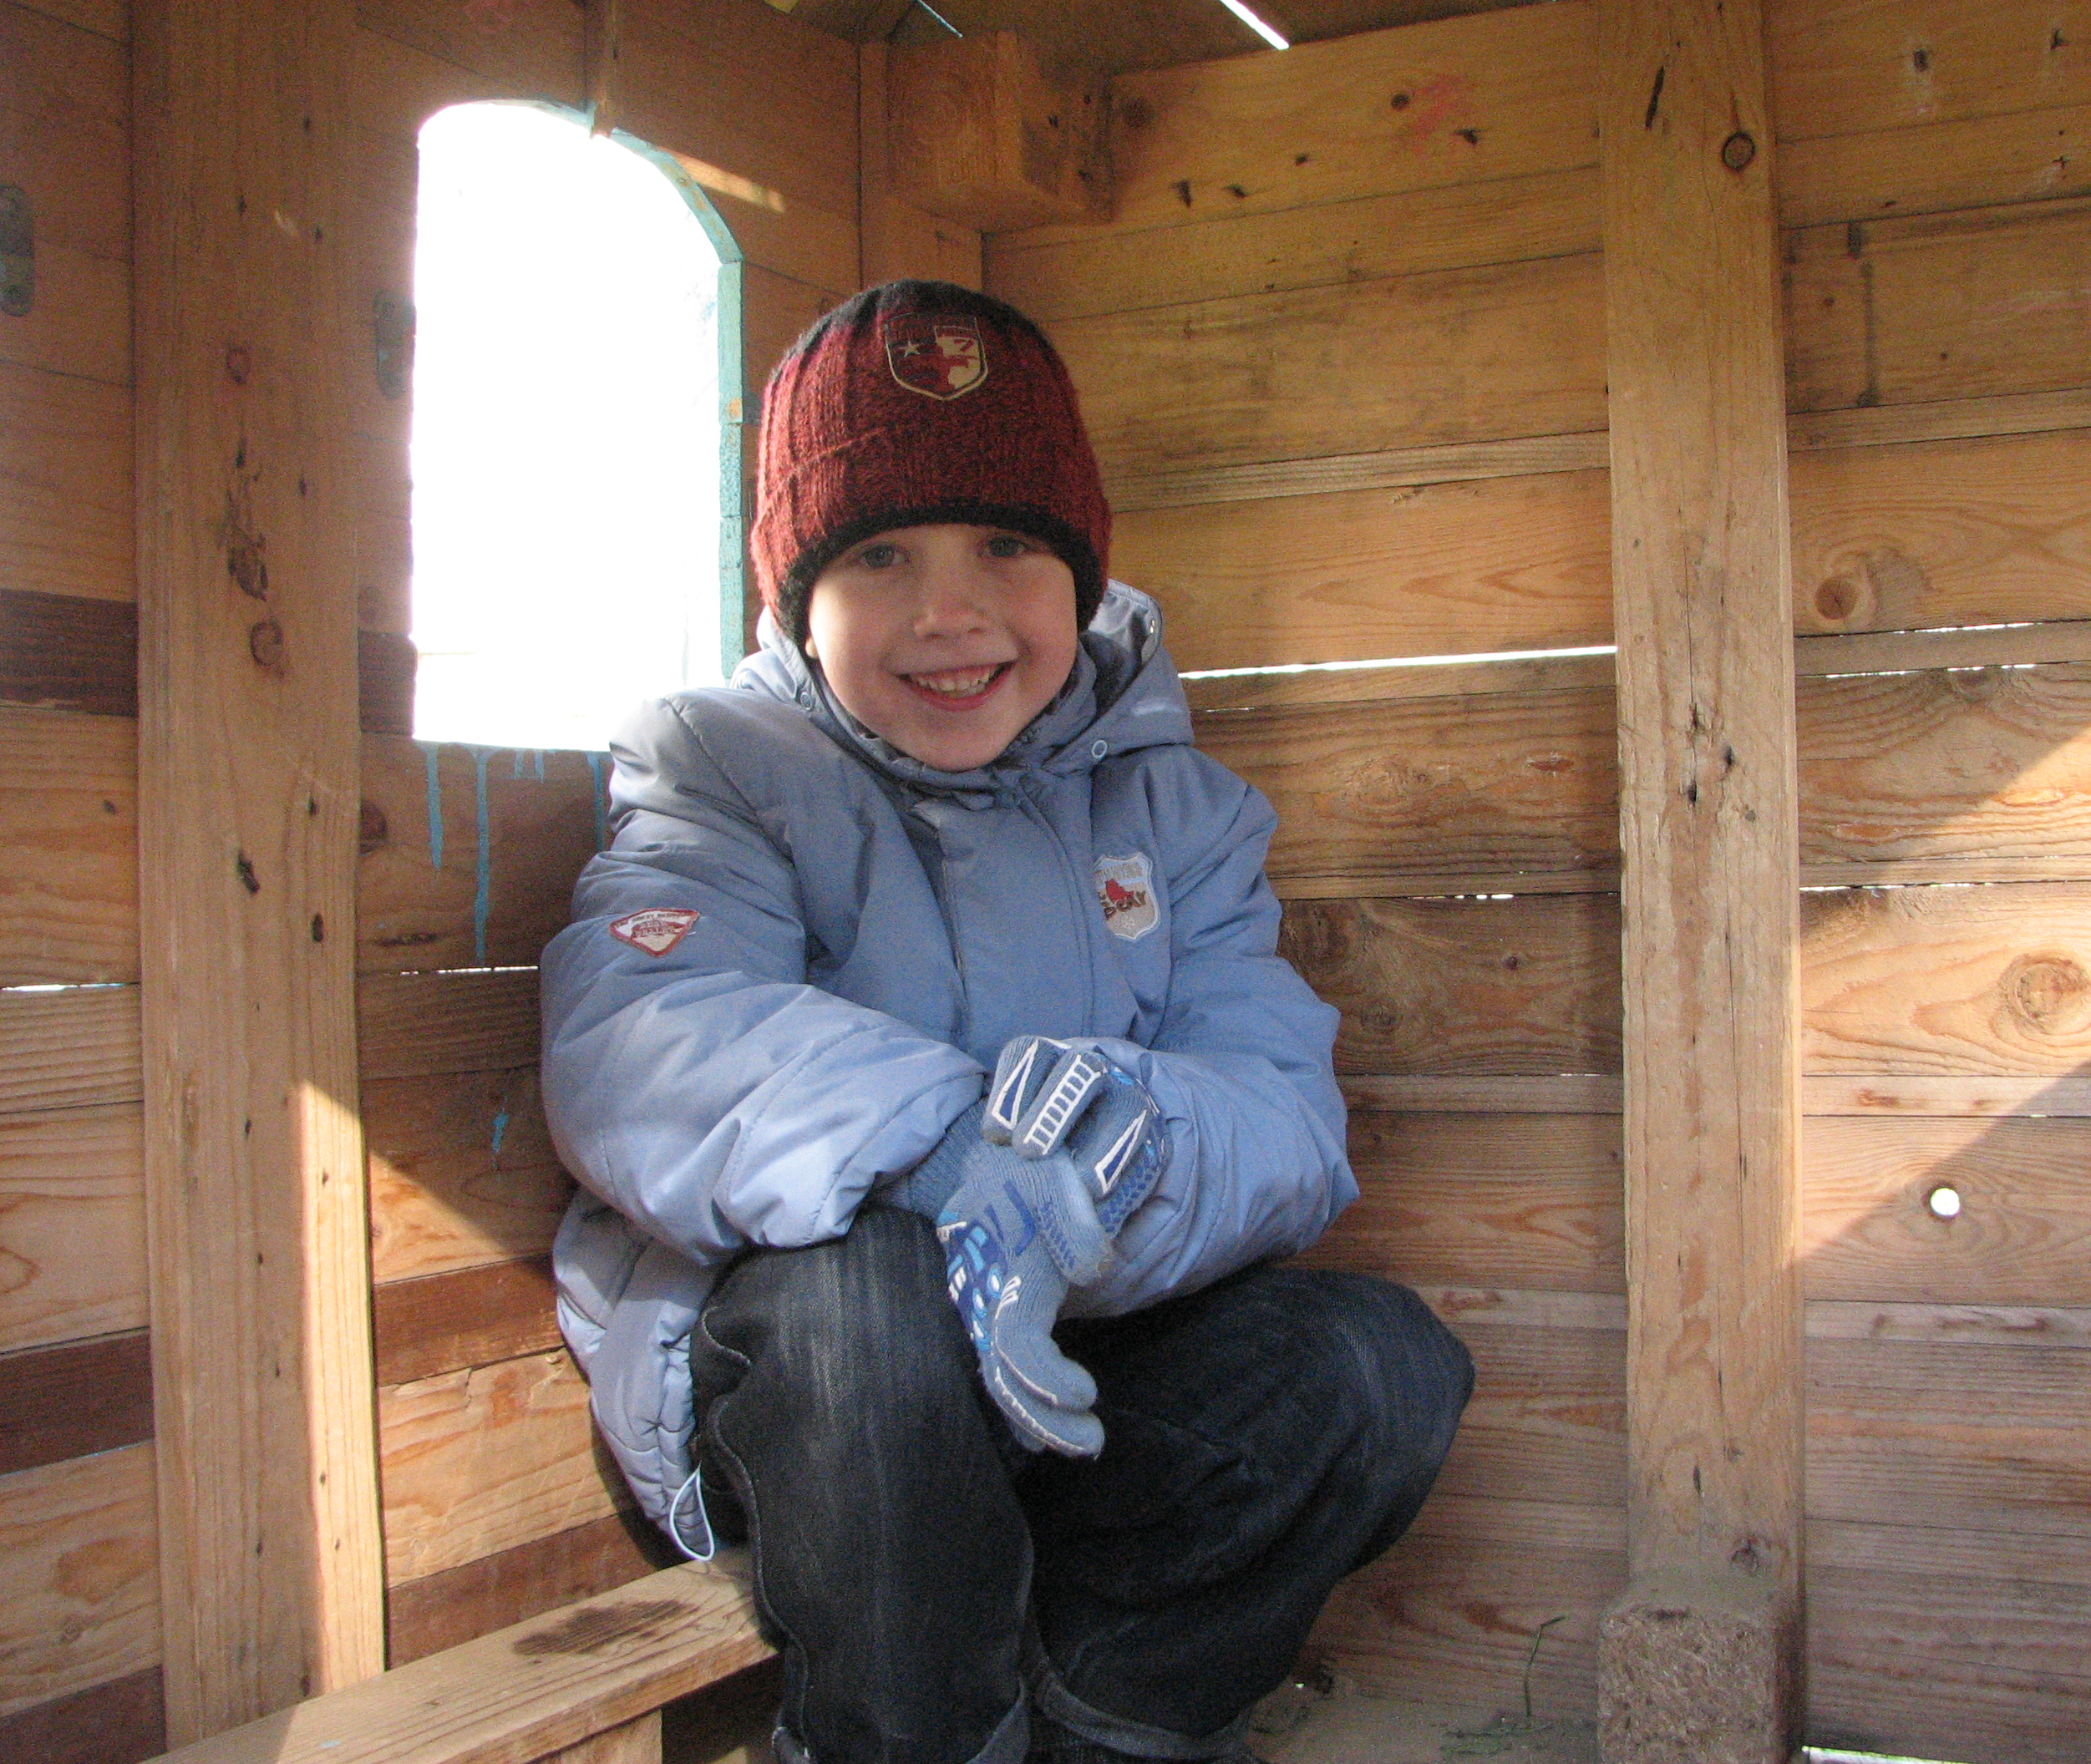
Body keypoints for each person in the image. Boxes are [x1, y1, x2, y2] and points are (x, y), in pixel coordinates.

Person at [540, 280, 1474, 1764]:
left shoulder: (1178, 811)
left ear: (1083, 576)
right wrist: (960, 1155)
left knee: (1377, 1365)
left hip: (1087, 1363)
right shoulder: (720, 768)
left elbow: (1284, 1112)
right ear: (797, 591)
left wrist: (1114, 1151)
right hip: (817, 1417)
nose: (950, 612)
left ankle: (1104, 1727)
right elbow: (640, 1029)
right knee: (867, 1306)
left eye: (1009, 546)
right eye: (880, 555)